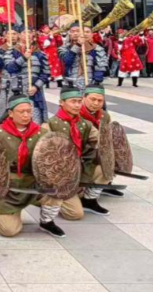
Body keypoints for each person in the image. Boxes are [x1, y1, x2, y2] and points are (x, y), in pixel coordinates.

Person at [0, 94, 66, 238]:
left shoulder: (42, 133)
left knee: (56, 192)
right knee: (9, 231)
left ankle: (47, 221)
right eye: (21, 112)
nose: (26, 115)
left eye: (29, 111)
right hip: (9, 187)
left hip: (34, 183)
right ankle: (2, 211)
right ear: (11, 113)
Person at [42, 84, 108, 219]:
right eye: (73, 102)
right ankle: (50, 200)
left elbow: (101, 142)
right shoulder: (49, 125)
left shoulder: (85, 124)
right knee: (75, 214)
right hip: (59, 176)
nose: (77, 105)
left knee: (105, 166)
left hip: (79, 168)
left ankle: (88, 199)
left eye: (79, 102)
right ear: (62, 103)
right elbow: (41, 157)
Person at [0, 29, 46, 123]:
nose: (27, 35)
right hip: (15, 89)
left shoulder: (40, 54)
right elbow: (9, 68)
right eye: (24, 33)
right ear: (20, 36)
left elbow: (45, 73)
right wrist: (24, 57)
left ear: (33, 37)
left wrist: (36, 86)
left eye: (30, 33)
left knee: (36, 121)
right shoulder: (10, 52)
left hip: (34, 91)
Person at [80, 84, 122, 198]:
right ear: (84, 97)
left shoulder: (104, 115)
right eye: (92, 99)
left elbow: (107, 135)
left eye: (100, 100)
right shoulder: (76, 114)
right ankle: (89, 190)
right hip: (83, 151)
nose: (96, 103)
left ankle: (106, 183)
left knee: (116, 153)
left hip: (99, 147)